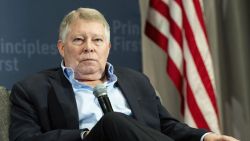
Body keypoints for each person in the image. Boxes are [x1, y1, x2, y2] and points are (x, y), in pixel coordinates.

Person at [9, 7, 239, 141]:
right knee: (112, 121)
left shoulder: (136, 81)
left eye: (97, 40)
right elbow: (24, 139)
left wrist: (207, 137)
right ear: (61, 47)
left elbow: (166, 126)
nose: (89, 47)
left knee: (117, 122)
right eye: (78, 40)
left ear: (107, 47)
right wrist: (86, 135)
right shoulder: (32, 89)